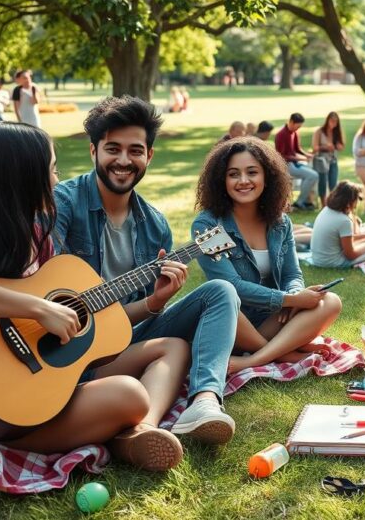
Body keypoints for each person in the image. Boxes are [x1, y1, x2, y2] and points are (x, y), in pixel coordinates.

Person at [0, 122, 189, 471]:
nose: (56, 181)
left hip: (41, 385)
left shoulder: (34, 233)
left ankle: (139, 433)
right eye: (51, 170)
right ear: (21, 176)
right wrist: (37, 308)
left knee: (172, 348)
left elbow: (84, 317)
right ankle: (123, 430)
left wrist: (153, 304)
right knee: (130, 394)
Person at [53, 96, 240, 445]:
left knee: (220, 293)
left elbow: (122, 325)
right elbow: (37, 279)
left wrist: (155, 303)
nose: (124, 161)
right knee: (175, 348)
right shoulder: (63, 203)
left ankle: (187, 411)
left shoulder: (155, 226)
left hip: (113, 347)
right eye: (113, 149)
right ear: (93, 151)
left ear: (149, 156)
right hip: (58, 353)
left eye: (135, 150)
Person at [192, 138, 343, 372]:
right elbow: (232, 286)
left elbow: (292, 273)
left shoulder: (280, 223)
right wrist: (288, 300)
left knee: (331, 300)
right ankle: (281, 353)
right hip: (234, 322)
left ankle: (256, 358)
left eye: (252, 172)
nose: (243, 181)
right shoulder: (209, 225)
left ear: (267, 176)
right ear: (222, 180)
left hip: (274, 318)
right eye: (233, 174)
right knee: (226, 297)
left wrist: (294, 294)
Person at [310, 181, 365, 268]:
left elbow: (345, 239)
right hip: (331, 262)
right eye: (357, 199)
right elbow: (350, 255)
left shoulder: (326, 210)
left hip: (317, 259)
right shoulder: (344, 221)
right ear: (351, 200)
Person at [274, 113, 318, 210]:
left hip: (294, 163)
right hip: (286, 165)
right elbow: (282, 156)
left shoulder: (294, 133)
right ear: (291, 122)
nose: (298, 129)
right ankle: (299, 202)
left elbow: (297, 149)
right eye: (297, 126)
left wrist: (307, 155)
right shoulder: (281, 135)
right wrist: (301, 158)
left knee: (312, 172)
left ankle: (307, 201)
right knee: (313, 175)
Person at [311, 112, 345, 205]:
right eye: (332, 121)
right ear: (328, 120)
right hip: (322, 160)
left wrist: (338, 146)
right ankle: (323, 204)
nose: (333, 123)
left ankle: (331, 203)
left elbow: (342, 146)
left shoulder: (336, 132)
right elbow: (315, 147)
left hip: (333, 160)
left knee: (333, 183)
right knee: (322, 182)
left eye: (336, 122)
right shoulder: (319, 131)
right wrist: (325, 147)